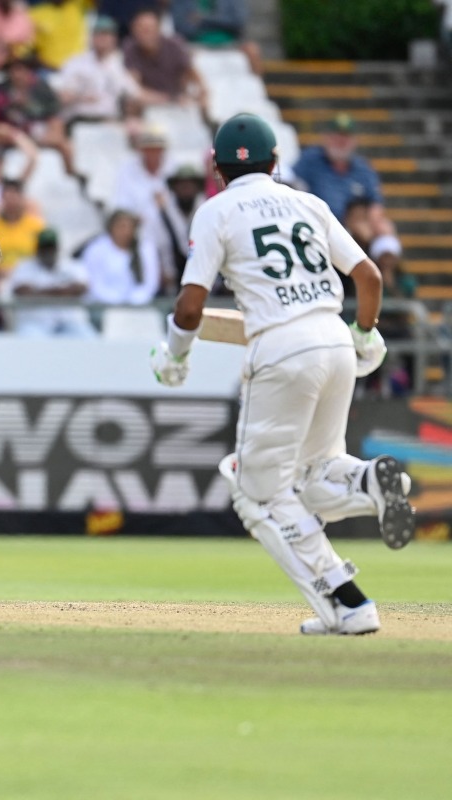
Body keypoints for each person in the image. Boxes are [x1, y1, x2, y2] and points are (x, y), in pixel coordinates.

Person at [150, 113, 415, 635]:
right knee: (314, 474)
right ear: (274, 163)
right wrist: (364, 334)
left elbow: (189, 307)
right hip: (334, 338)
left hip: (280, 349)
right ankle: (370, 482)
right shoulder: (309, 202)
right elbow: (369, 275)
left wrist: (175, 355)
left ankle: (348, 601)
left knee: (255, 493)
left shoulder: (215, 211)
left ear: (217, 171)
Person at [292, 114, 400, 264]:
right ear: (327, 138)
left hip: (356, 231)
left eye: (345, 137)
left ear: (354, 141)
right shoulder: (310, 161)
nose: (341, 142)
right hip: (320, 228)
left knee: (384, 231)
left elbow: (376, 205)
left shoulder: (363, 169)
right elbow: (289, 186)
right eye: (337, 136)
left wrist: (376, 225)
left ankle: (390, 279)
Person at [54, 15, 142, 126]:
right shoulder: (75, 63)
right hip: (79, 119)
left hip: (110, 121)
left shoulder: (119, 65)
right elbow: (61, 97)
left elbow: (135, 95)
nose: (103, 38)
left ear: (114, 39)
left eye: (107, 34)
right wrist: (80, 97)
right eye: (99, 34)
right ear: (91, 37)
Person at [8, 227, 95, 336]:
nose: (48, 252)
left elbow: (82, 288)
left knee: (87, 336)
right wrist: (63, 291)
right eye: (44, 248)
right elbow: (22, 291)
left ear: (57, 248)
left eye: (51, 248)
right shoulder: (24, 267)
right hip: (36, 323)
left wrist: (40, 292)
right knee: (28, 337)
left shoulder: (72, 265)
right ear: (37, 249)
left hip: (69, 321)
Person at [123, 9, 207, 109]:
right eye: (141, 28)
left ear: (158, 29)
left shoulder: (175, 44)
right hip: (149, 102)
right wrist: (164, 99)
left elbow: (192, 74)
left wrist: (199, 94)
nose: (145, 33)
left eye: (149, 28)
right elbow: (133, 85)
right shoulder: (130, 48)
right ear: (133, 30)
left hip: (179, 100)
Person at [81, 208, 160, 304]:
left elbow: (150, 283)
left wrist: (135, 300)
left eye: (129, 227)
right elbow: (94, 283)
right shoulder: (95, 249)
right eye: (121, 227)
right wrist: (118, 302)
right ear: (111, 227)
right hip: (104, 305)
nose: (125, 231)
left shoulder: (145, 248)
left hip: (140, 305)